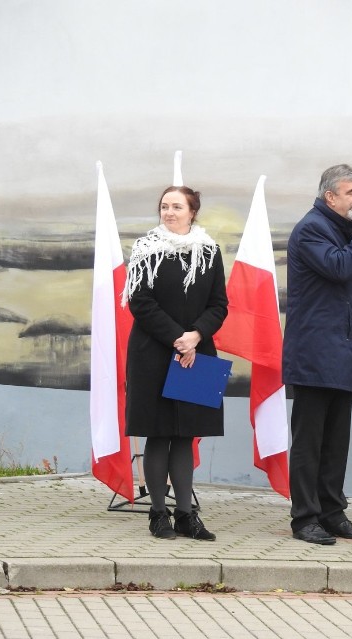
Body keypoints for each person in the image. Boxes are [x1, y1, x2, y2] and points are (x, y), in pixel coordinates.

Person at [283, 164, 352, 545]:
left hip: (341, 355)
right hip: (313, 356)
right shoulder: (311, 228)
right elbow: (340, 267)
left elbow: (344, 301)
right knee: (310, 442)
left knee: (335, 443)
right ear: (331, 196)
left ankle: (332, 513)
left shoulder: (338, 229)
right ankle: (305, 518)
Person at [122, 185, 228, 541]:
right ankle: (158, 514)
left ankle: (186, 515)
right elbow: (141, 301)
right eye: (164, 206)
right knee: (160, 433)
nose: (169, 212)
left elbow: (219, 304)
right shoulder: (145, 249)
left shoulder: (210, 251)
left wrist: (195, 336)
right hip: (154, 354)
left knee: (185, 436)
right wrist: (177, 338)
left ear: (192, 212)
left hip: (196, 354)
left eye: (177, 207)